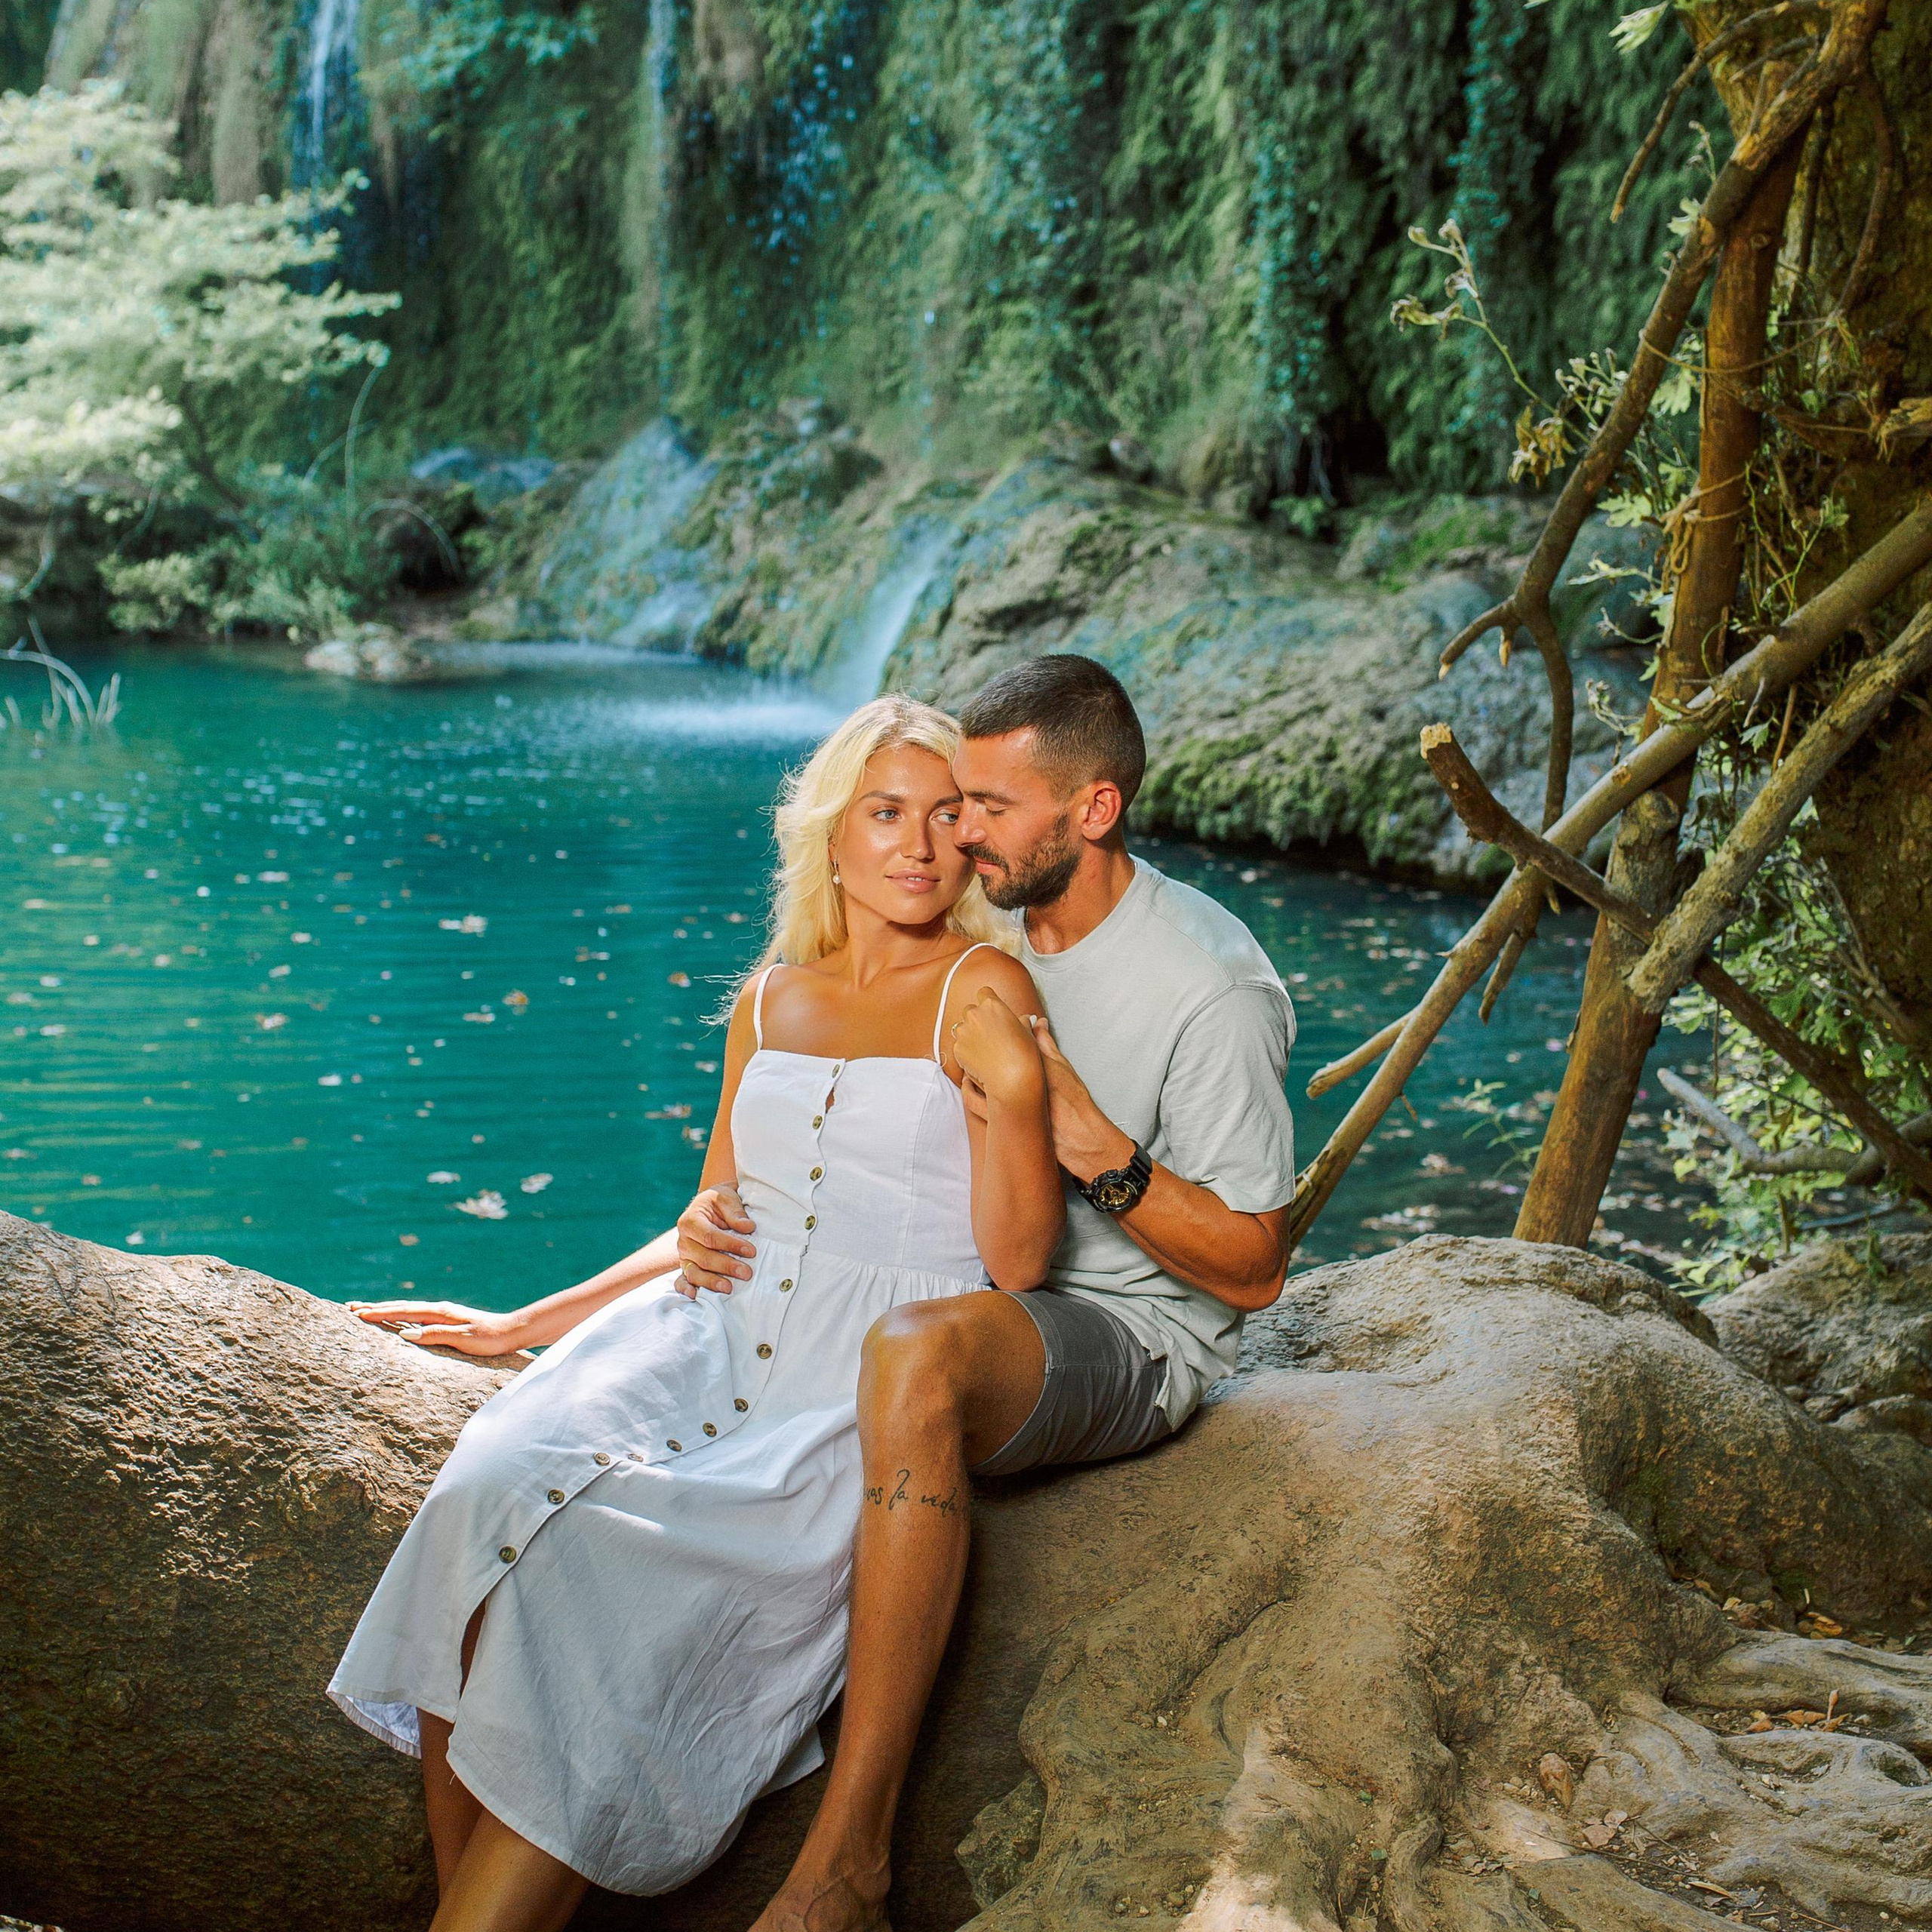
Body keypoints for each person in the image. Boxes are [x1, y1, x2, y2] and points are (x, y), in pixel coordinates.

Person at [331, 694, 1065, 1932]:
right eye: (885, 813)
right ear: (833, 835)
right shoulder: (772, 996)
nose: (919, 846)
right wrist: (527, 1323)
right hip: (697, 1335)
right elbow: (713, 1219)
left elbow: (1021, 1260)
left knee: (614, 1580)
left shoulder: (983, 985)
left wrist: (1015, 1090)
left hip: (849, 1383)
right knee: (481, 1491)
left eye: (948, 817)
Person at [701, 654, 1301, 1932]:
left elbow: (1254, 1267)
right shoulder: (984, 931)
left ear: (1092, 813)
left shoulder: (1209, 985)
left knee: (915, 1352)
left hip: (1124, 1328)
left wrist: (1095, 1146)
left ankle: (847, 1859)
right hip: (970, 1276)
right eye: (948, 801)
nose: (956, 829)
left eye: (987, 805)